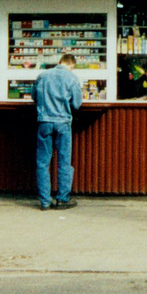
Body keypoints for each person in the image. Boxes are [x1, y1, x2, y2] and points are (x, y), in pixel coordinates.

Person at [33, 51, 84, 210]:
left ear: (60, 61)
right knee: (64, 161)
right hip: (63, 123)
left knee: (42, 163)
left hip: (44, 121)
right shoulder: (72, 78)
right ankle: (62, 198)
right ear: (71, 65)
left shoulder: (42, 76)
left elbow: (34, 96)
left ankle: (45, 201)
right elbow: (77, 104)